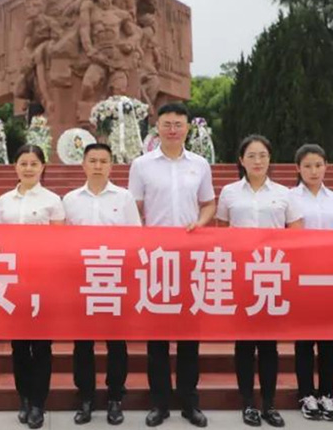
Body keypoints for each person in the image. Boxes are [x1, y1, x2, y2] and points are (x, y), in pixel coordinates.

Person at [127, 103, 215, 428]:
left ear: (188, 128)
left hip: (190, 258)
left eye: (179, 124)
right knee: (157, 337)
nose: (173, 129)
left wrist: (200, 223)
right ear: (158, 127)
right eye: (167, 124)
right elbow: (133, 207)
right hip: (155, 258)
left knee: (190, 335)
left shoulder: (200, 165)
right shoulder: (142, 165)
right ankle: (159, 403)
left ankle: (190, 402)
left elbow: (209, 204)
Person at [216, 135, 299, 428]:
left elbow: (296, 232)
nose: (257, 161)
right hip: (240, 274)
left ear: (270, 158)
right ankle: (248, 403)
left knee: (268, 344)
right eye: (251, 155)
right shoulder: (229, 192)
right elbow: (221, 230)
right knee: (244, 343)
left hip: (271, 274)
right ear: (241, 160)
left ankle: (269, 404)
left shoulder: (284, 193)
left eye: (262, 155)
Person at [62, 143, 141, 425]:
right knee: (82, 343)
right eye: (92, 160)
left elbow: (135, 237)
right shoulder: (70, 199)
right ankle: (85, 398)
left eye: (103, 161)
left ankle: (115, 397)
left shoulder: (124, 197)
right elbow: (62, 241)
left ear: (111, 165)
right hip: (81, 279)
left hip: (114, 278)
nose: (97, 166)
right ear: (83, 165)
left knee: (116, 343)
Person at [0, 144, 66, 429]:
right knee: (19, 345)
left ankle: (38, 403)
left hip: (43, 281)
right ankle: (23, 397)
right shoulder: (4, 201)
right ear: (15, 166)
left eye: (34, 163)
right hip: (14, 281)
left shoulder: (52, 200)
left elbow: (60, 242)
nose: (28, 168)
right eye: (23, 163)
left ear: (42, 167)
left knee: (42, 345)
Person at [286, 144, 333, 422]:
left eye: (318, 165)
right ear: (298, 168)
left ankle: (327, 394)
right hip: (301, 274)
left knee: (328, 341)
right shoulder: (289, 197)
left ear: (326, 166)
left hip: (331, 275)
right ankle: (306, 394)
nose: (313, 171)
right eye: (307, 166)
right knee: (304, 340)